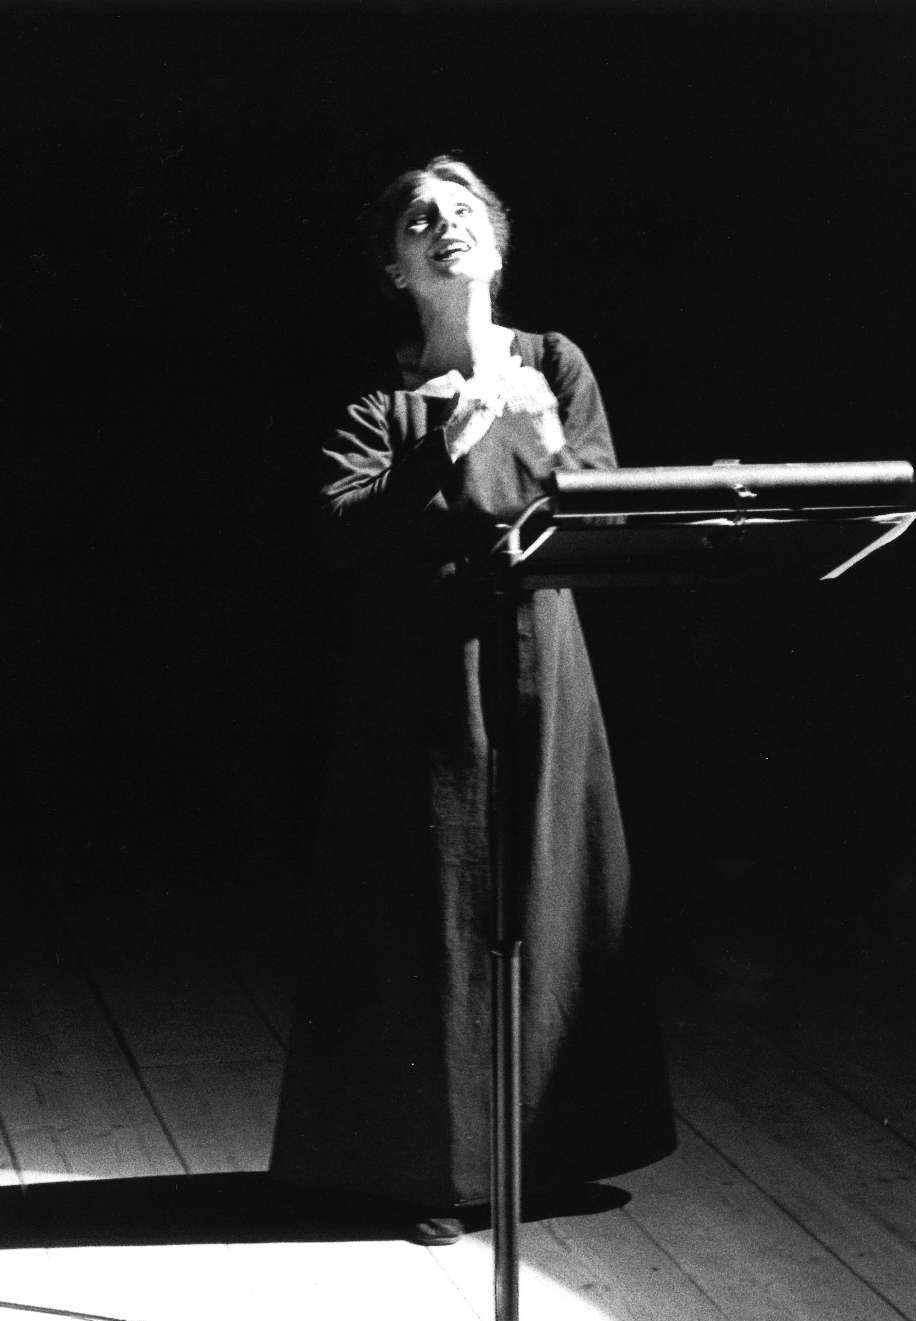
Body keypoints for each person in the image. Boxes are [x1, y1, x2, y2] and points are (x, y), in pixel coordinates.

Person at [268, 154, 676, 1238]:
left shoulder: (552, 362)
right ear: (394, 268)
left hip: (542, 653)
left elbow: (608, 512)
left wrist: (545, 443)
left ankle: (551, 1152)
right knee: (438, 910)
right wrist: (441, 447)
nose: (444, 225)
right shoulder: (385, 400)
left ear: (495, 241)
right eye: (418, 218)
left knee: (550, 888)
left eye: (462, 210)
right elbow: (339, 528)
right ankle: (433, 1173)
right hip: (424, 670)